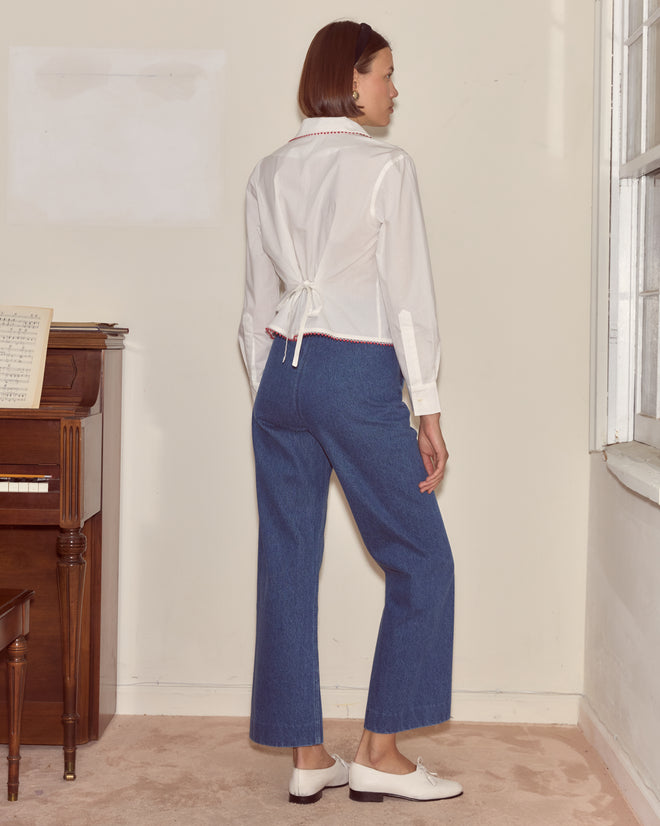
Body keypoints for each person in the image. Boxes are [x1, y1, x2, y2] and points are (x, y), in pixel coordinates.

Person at [238, 20, 461, 805]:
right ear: (350, 77)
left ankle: (309, 757)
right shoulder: (384, 166)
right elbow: (408, 297)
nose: (394, 90)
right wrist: (426, 406)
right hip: (355, 370)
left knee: (288, 559)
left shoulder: (268, 171)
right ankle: (380, 754)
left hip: (283, 374)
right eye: (385, 74)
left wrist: (274, 390)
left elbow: (255, 307)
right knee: (422, 558)